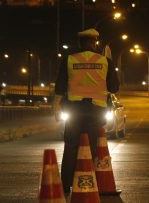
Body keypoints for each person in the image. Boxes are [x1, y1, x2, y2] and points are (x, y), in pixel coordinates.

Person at [54, 28, 119, 194]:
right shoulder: (105, 61)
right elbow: (114, 87)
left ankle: (66, 185)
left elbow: (60, 87)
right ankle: (89, 184)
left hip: (74, 109)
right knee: (92, 147)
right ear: (95, 42)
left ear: (79, 43)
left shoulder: (69, 60)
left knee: (70, 145)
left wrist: (56, 109)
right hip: (96, 110)